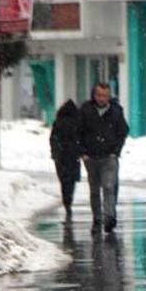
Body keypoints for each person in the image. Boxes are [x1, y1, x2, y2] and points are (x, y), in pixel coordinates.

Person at [76, 83, 129, 233]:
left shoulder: (116, 111)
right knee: (94, 189)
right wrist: (82, 152)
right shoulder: (86, 110)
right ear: (94, 95)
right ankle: (97, 218)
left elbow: (123, 131)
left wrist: (116, 150)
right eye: (99, 95)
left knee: (109, 186)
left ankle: (109, 217)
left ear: (109, 96)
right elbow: (78, 131)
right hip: (91, 157)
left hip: (109, 156)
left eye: (105, 96)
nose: (101, 98)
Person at [49, 100, 82, 220]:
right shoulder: (77, 122)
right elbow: (80, 138)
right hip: (73, 155)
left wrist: (55, 152)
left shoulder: (58, 122)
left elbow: (53, 138)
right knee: (71, 180)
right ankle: (69, 199)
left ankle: (66, 200)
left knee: (64, 180)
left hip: (61, 156)